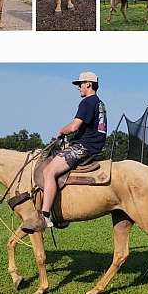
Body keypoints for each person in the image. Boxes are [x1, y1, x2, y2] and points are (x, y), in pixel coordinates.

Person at [22, 71, 107, 233]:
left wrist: (62, 131)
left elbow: (75, 126)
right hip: (92, 145)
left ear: (88, 84)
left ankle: (45, 216)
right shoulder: (100, 103)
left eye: (80, 84)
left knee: (49, 171)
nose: (78, 88)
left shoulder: (87, 102)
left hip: (84, 146)